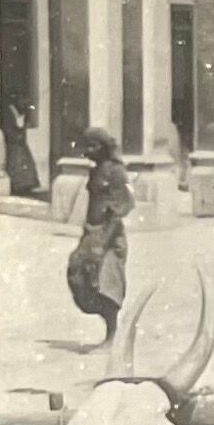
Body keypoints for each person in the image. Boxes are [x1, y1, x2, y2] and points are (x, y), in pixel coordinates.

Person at [63, 127, 130, 346]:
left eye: (93, 146)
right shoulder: (96, 171)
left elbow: (118, 212)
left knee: (106, 283)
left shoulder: (117, 172)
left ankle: (112, 335)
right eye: (87, 146)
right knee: (79, 273)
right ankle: (109, 328)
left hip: (110, 235)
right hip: (92, 232)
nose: (88, 151)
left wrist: (103, 243)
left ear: (103, 148)